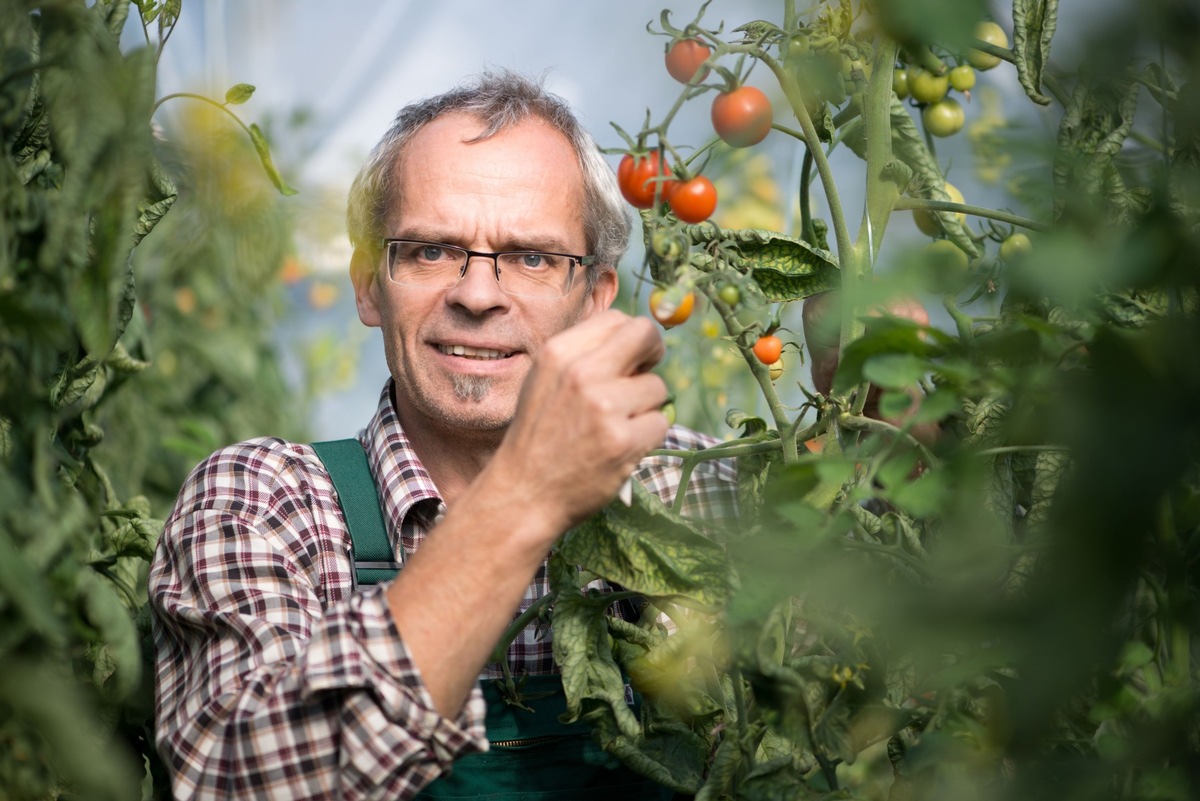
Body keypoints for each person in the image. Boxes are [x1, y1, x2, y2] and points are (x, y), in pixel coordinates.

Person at [149, 71, 737, 800]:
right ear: (368, 283)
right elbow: (233, 780)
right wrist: (526, 494)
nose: (479, 294)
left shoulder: (696, 487)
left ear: (595, 299)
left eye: (532, 257)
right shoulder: (267, 503)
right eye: (430, 250)